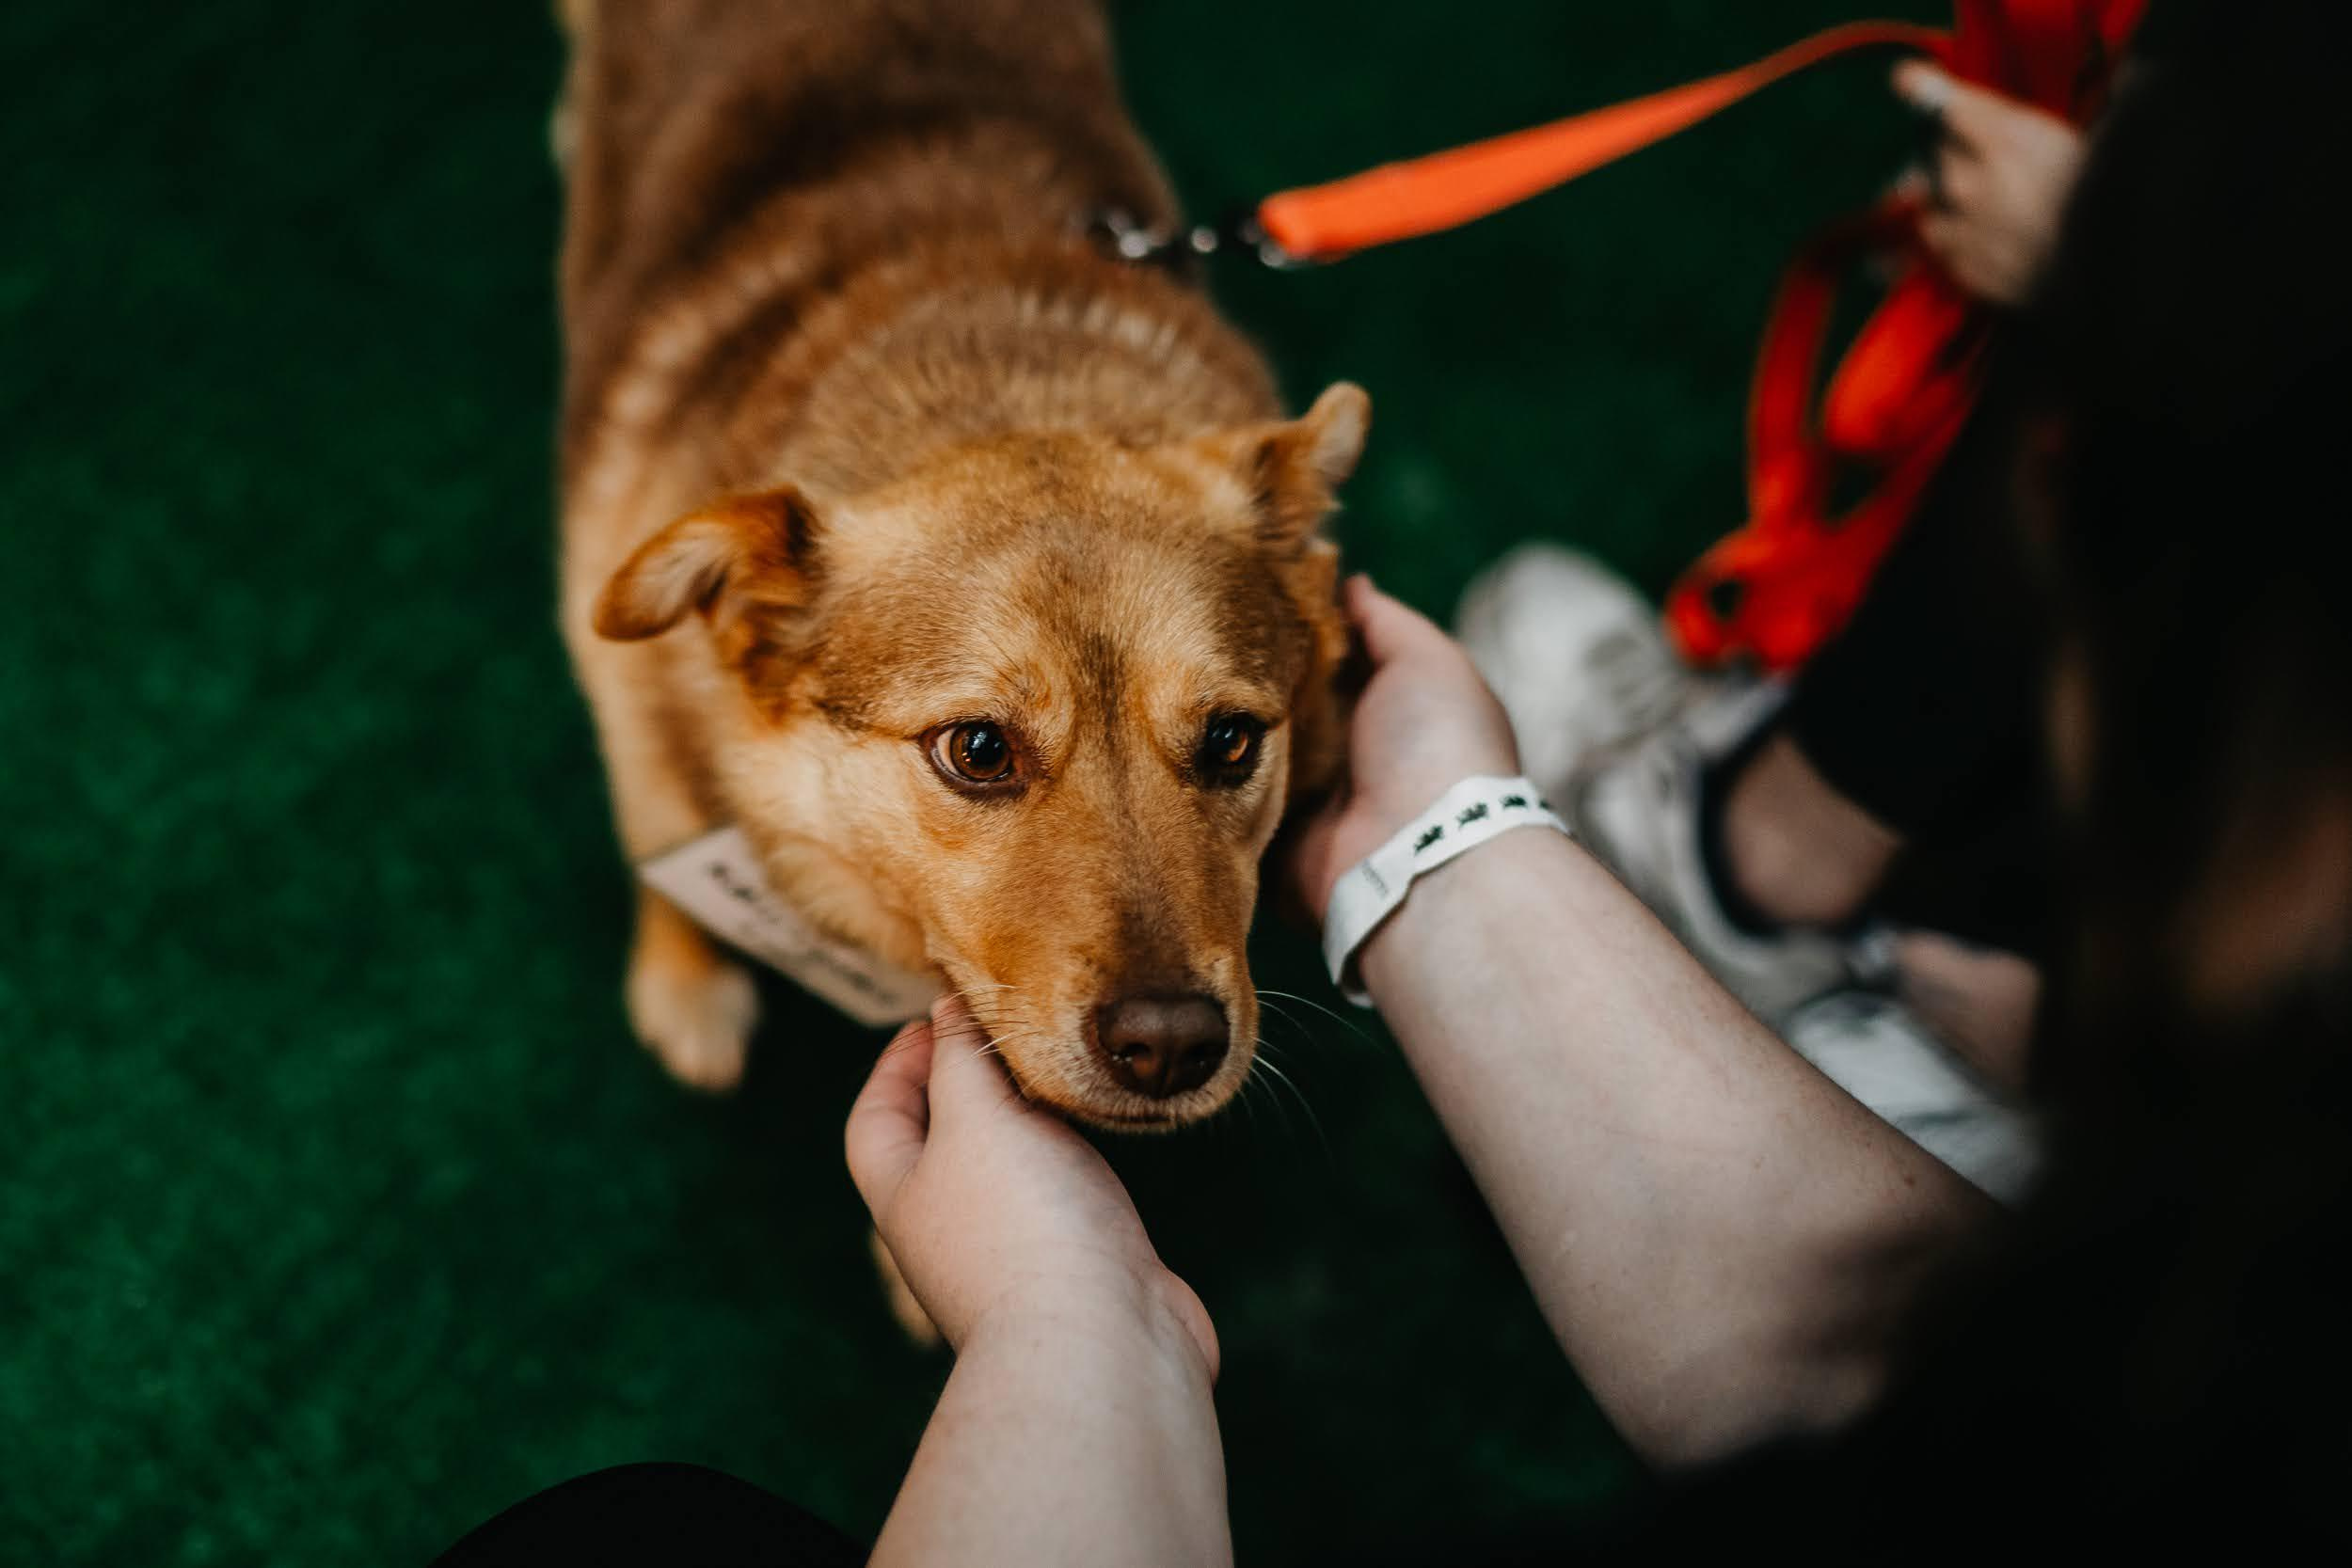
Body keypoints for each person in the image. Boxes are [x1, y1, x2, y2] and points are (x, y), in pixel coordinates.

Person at [437, 5, 2351, 1560]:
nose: (1161, 971)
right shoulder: (750, 594)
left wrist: (1057, 1342)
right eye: (978, 754)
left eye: (1221, 744)